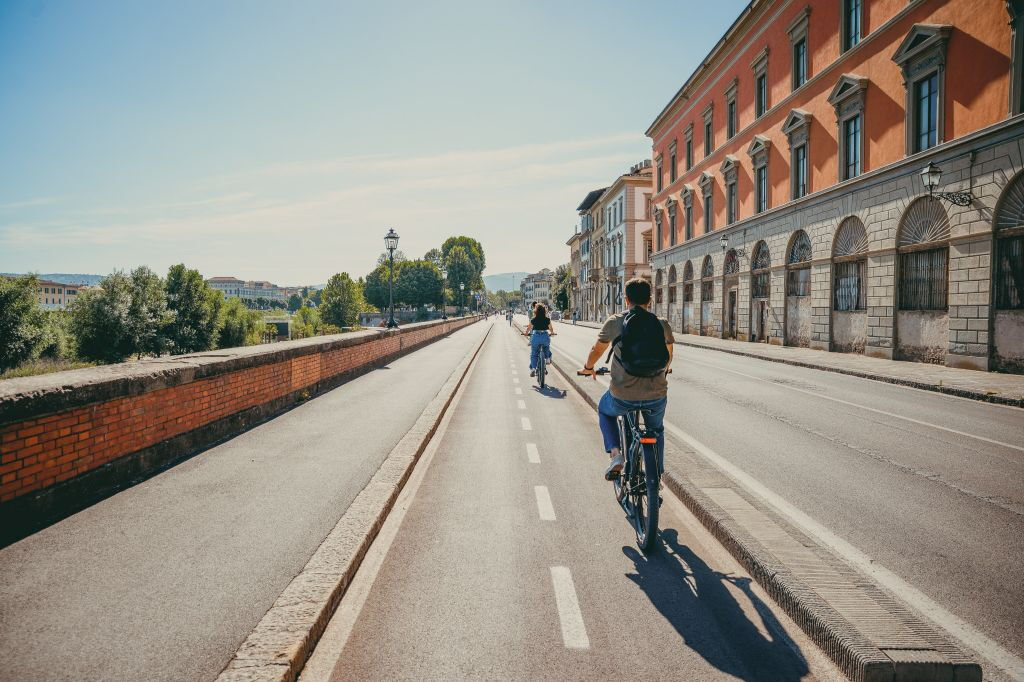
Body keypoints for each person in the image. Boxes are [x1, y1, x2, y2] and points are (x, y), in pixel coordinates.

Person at [579, 278, 673, 480]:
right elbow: (669, 356)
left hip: (622, 395)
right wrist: (663, 373)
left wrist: (588, 368)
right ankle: (656, 474)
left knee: (604, 410)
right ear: (650, 300)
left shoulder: (615, 322)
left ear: (626, 298)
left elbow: (597, 349)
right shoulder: (661, 324)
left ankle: (616, 455)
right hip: (656, 395)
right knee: (656, 430)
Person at [524, 303, 554, 377]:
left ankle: (533, 369)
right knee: (546, 347)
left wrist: (526, 333)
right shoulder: (547, 319)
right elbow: (551, 329)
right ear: (544, 311)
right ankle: (547, 358)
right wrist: (552, 333)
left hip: (536, 337)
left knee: (534, 354)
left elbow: (529, 328)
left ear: (535, 311)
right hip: (545, 337)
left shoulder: (533, 319)